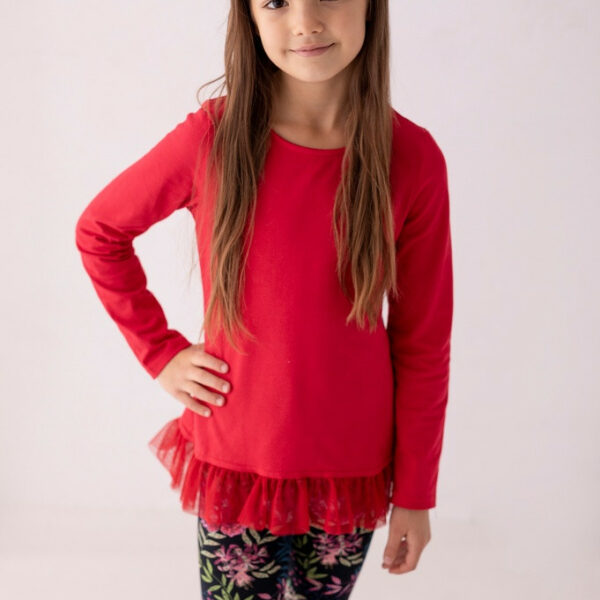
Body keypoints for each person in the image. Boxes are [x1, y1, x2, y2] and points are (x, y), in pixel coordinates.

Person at [74, 0, 453, 597]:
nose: (304, 20)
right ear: (248, 16)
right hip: (238, 463)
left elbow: (423, 342)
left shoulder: (412, 158)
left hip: (350, 474)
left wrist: (416, 493)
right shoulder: (213, 138)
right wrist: (159, 352)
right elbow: (100, 232)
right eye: (275, 1)